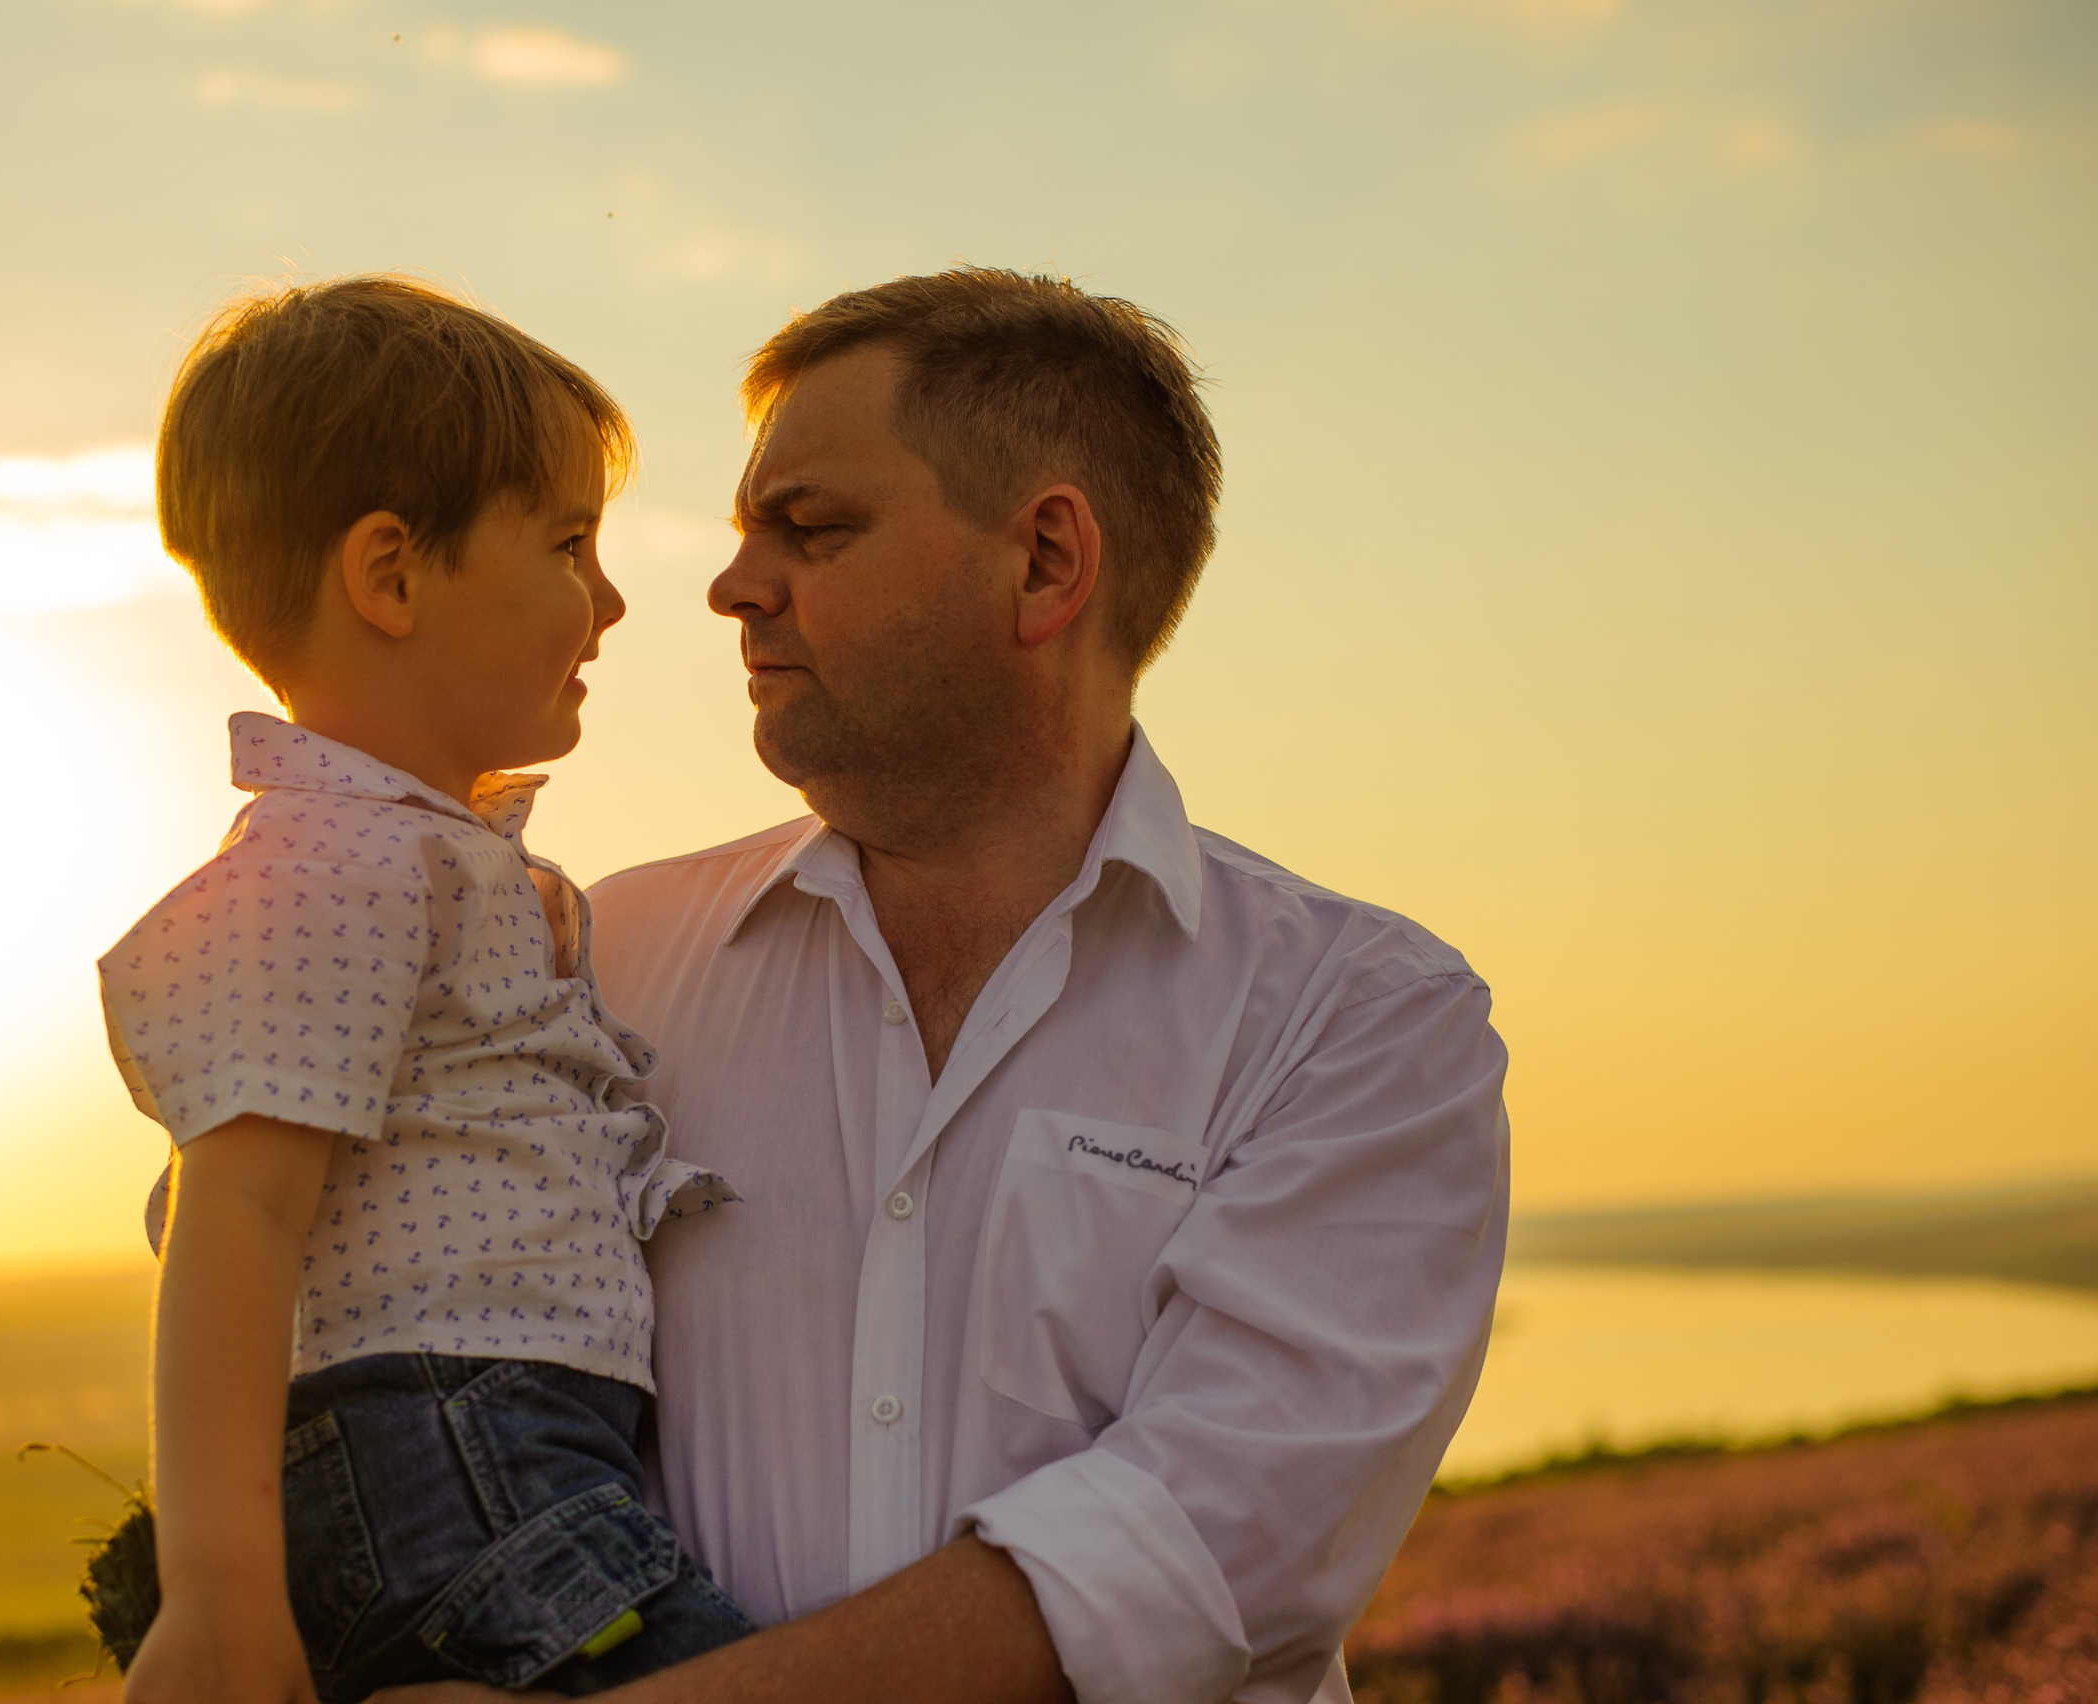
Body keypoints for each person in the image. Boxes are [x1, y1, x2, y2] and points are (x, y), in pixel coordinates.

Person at [379, 268, 1510, 1704]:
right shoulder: (600, 960)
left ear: (1045, 561)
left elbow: (1198, 1554)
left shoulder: (1359, 1019)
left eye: (812, 528)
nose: (732, 586)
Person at [97, 275, 752, 1704]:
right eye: (573, 544)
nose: (617, 600)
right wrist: (217, 1595)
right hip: (458, 1457)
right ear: (391, 575)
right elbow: (240, 1213)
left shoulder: (422, 862)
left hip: (500, 1457)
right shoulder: (336, 863)